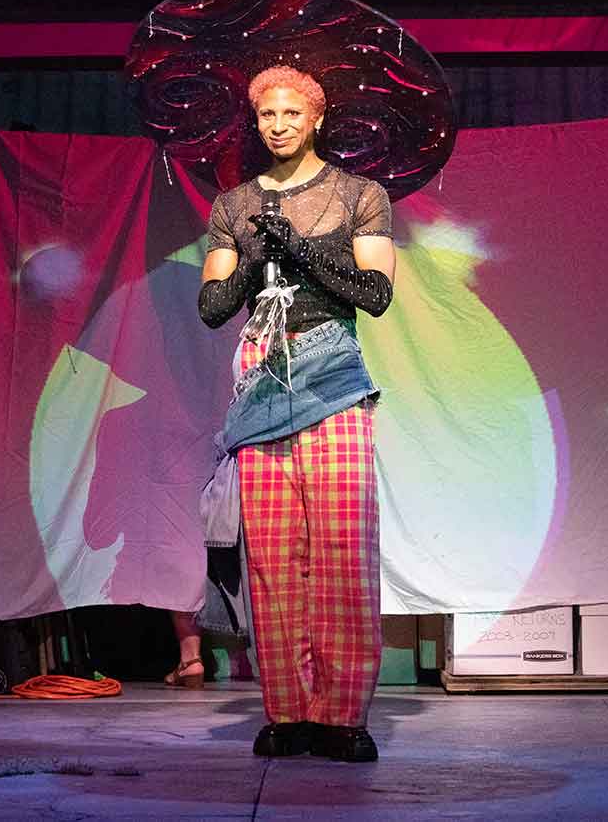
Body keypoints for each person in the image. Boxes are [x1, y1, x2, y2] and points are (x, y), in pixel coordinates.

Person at [196, 65, 396, 763]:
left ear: (317, 118)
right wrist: (258, 257)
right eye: (265, 115)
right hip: (263, 381)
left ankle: (343, 714)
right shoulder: (233, 203)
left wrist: (302, 249)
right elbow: (214, 306)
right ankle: (288, 711)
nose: (277, 125)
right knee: (275, 557)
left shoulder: (359, 193)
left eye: (290, 113)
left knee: (343, 552)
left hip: (334, 375)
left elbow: (375, 292)